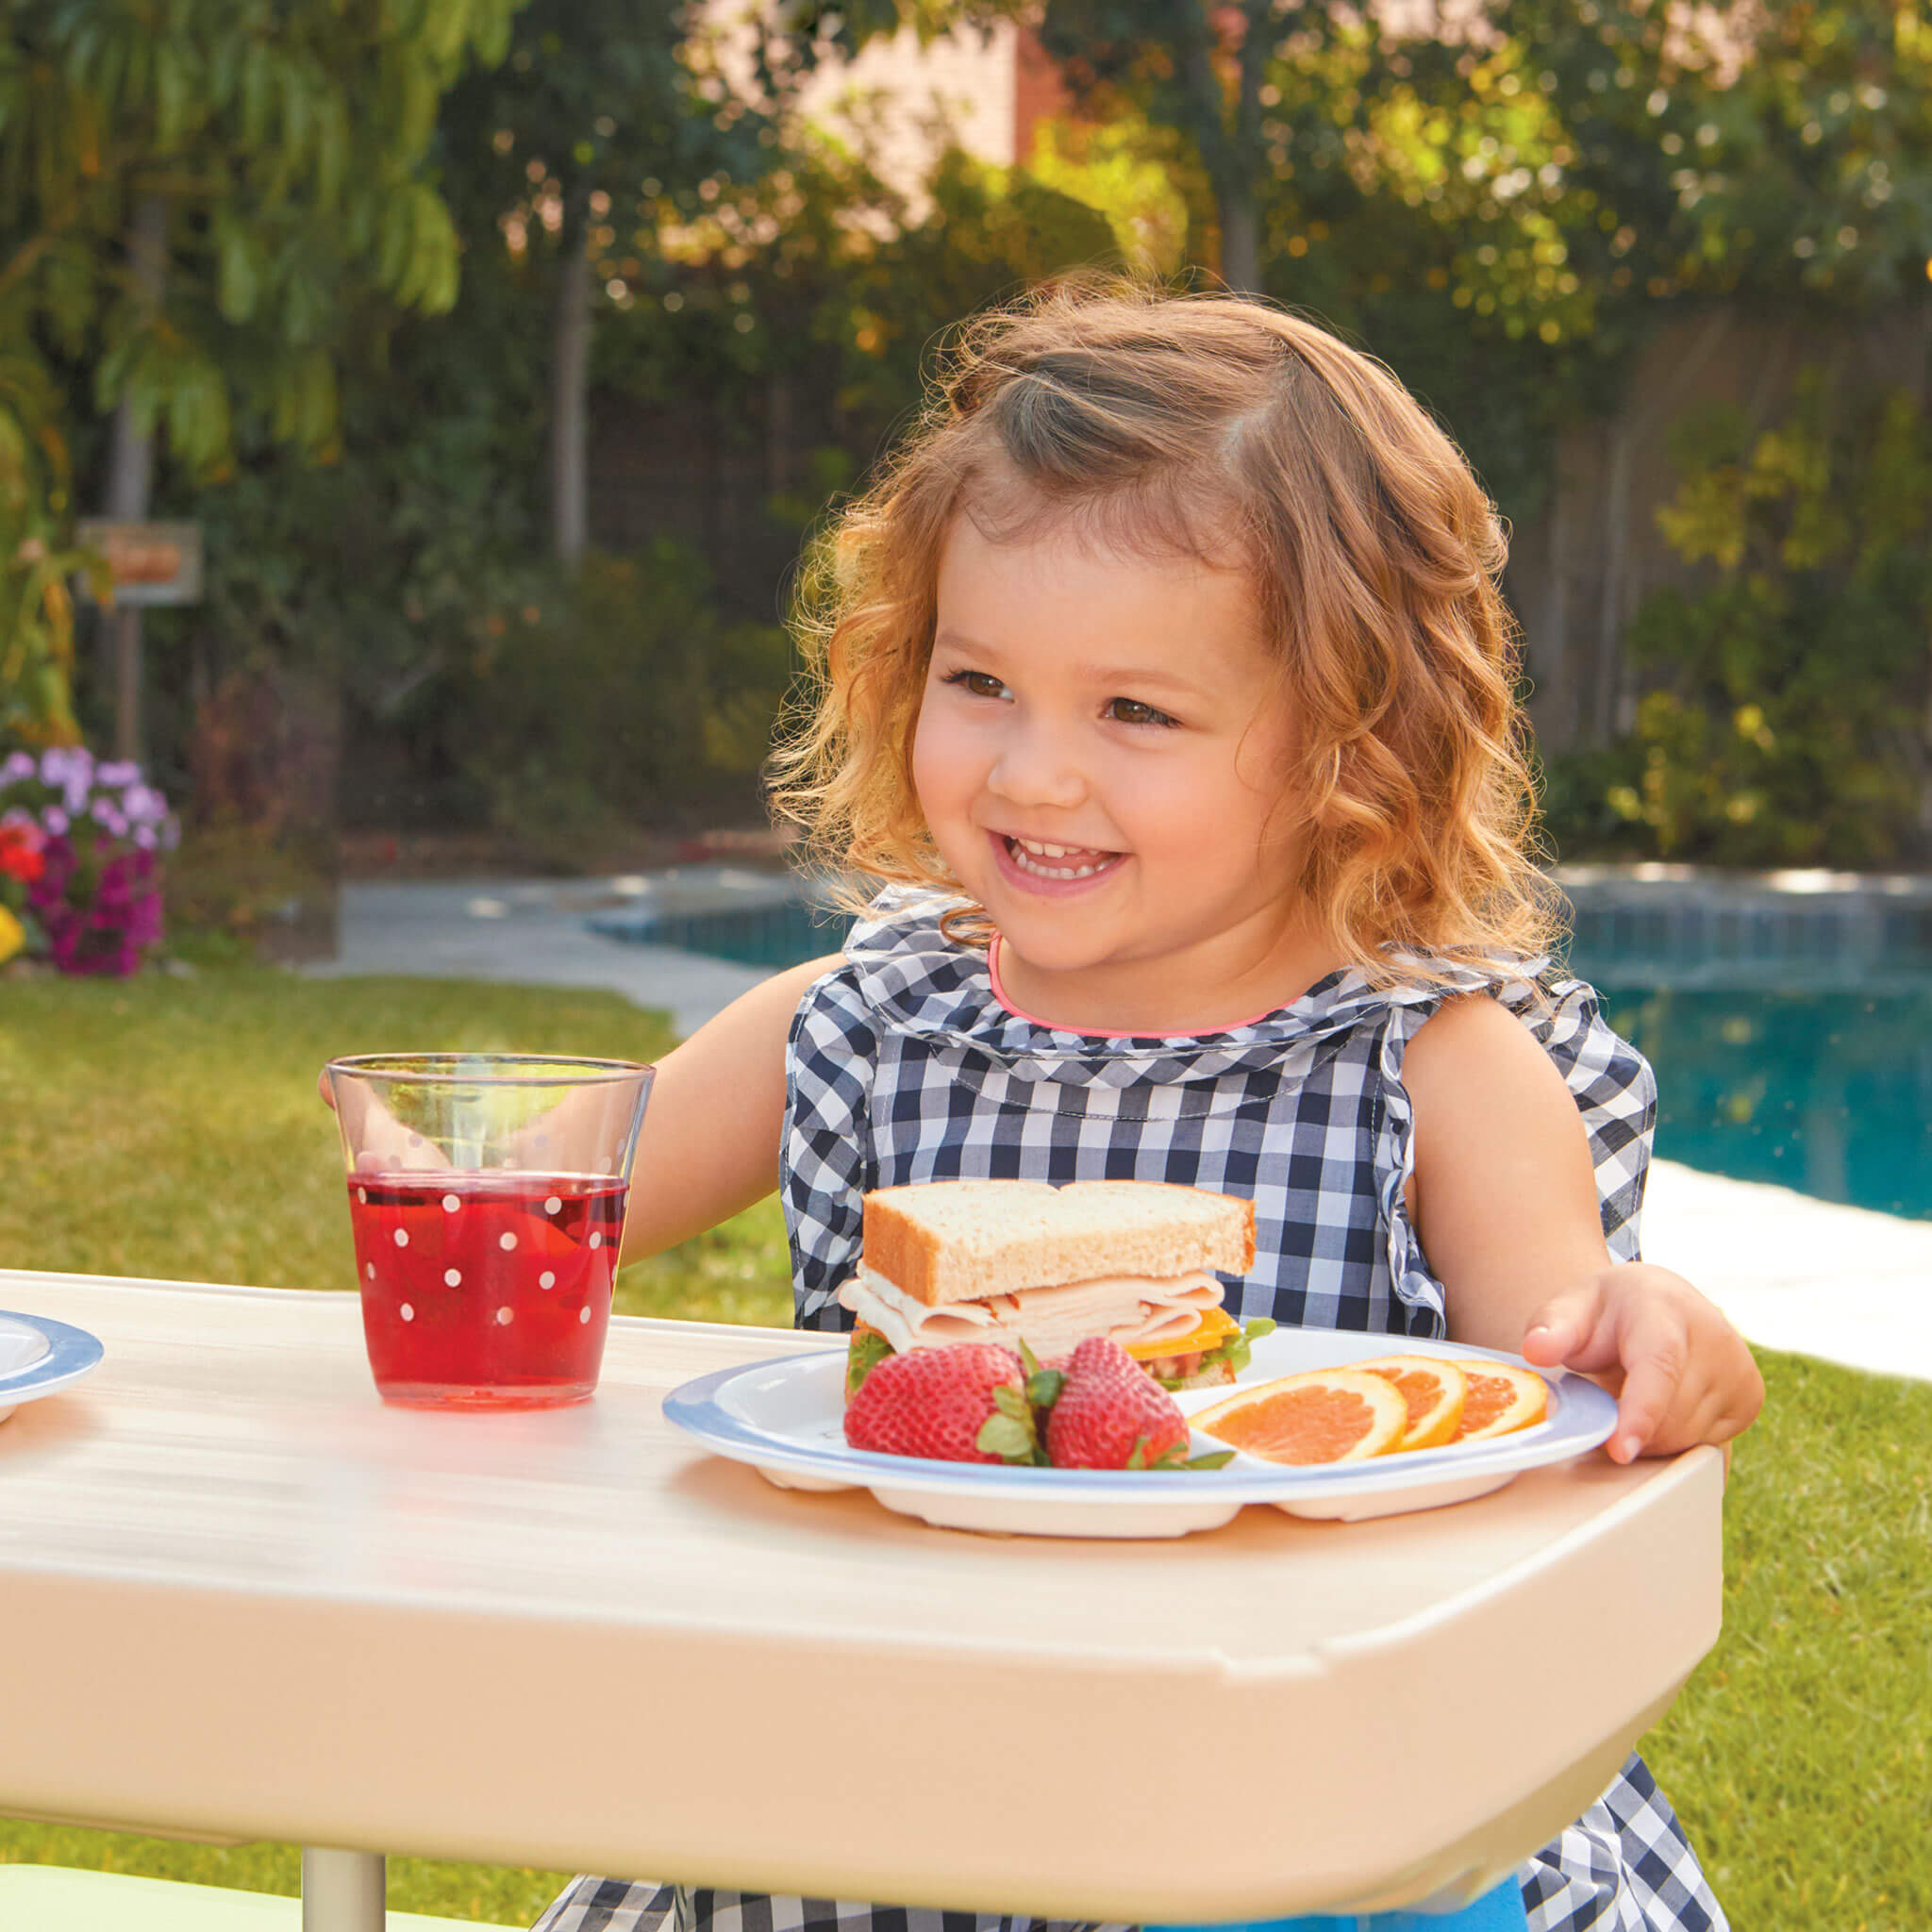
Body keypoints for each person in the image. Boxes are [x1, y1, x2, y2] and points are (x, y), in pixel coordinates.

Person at [532, 282, 1763, 1932]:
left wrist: (1648, 1331)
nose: (1035, 773)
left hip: (1301, 1814)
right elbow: (526, 1229)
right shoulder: (864, 1020)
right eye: (980, 683)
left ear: (1350, 741)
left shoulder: (1435, 1074)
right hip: (900, 1784)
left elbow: (1556, 1393)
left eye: (1135, 712)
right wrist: (476, 1177)